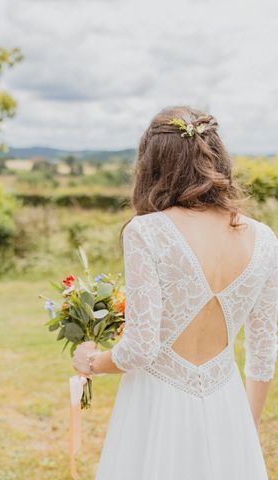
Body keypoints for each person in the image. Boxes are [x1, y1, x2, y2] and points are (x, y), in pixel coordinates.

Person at [73, 106, 277, 479]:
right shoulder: (264, 238)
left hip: (156, 407)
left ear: (152, 165)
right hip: (227, 405)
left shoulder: (146, 231)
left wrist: (90, 361)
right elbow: (264, 351)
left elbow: (141, 348)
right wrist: (244, 427)